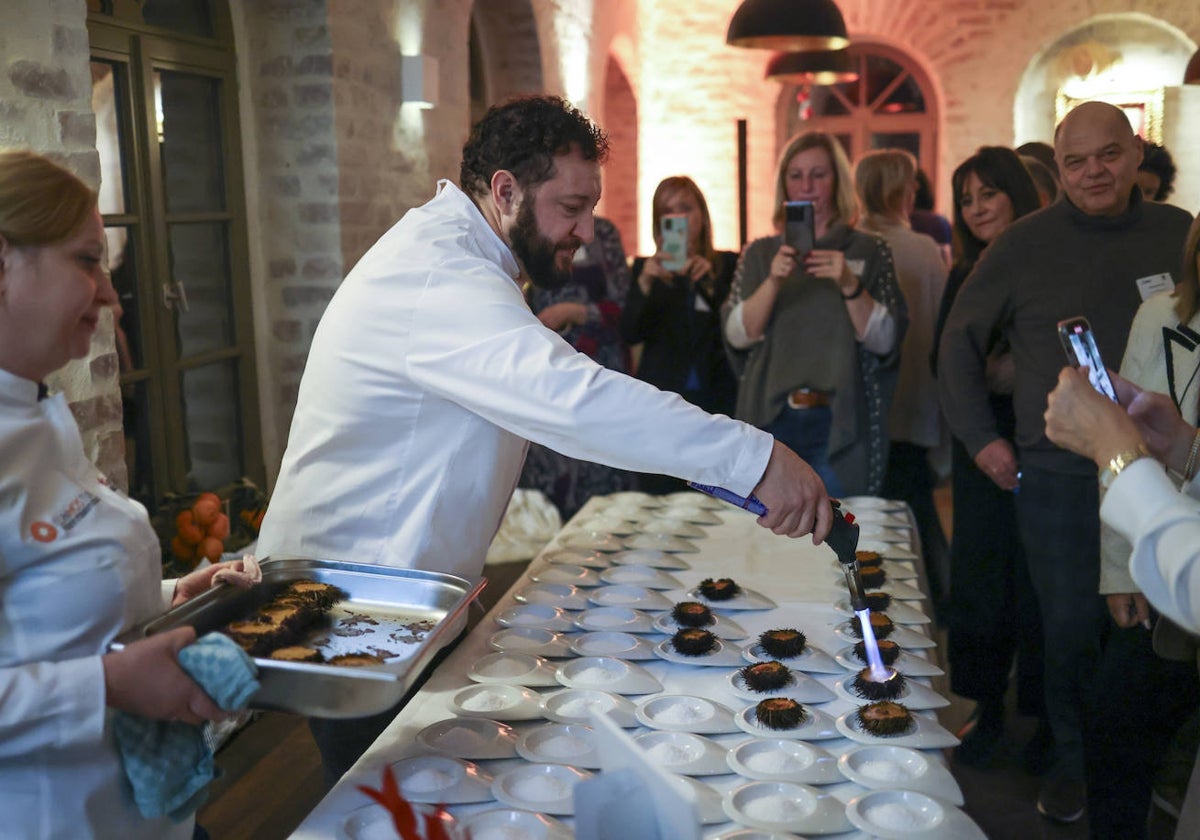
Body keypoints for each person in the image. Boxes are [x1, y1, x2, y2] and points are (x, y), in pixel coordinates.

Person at [255, 96, 832, 779]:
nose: (586, 230)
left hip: (396, 594)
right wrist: (756, 460)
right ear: (506, 190)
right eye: (572, 207)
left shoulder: (457, 254)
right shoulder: (443, 274)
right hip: (359, 611)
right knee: (387, 805)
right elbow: (580, 403)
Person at [938, 102, 1194, 827]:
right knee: (1072, 632)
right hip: (1057, 476)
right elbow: (958, 341)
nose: (1094, 173)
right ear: (1057, 166)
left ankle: (1150, 771)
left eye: (1109, 155)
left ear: (1137, 152)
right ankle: (1078, 767)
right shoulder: (1021, 244)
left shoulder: (1180, 234)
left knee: (1160, 632)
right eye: (1076, 161)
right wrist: (983, 440)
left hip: (1169, 465)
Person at [0, 149, 258, 837]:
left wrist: (178, 593)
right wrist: (109, 685)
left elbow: (50, 608)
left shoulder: (36, 411)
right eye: (88, 262)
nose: (113, 296)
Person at [932, 146, 1047, 769]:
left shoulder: (1050, 263)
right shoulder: (963, 274)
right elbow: (947, 369)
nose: (976, 209)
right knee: (982, 586)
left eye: (988, 194)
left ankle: (1045, 720)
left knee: (1041, 586)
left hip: (1047, 446)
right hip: (981, 451)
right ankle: (986, 711)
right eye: (966, 199)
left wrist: (1012, 370)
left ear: (1017, 195)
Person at [722, 131, 907, 497]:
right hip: (772, 420)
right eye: (796, 176)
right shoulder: (760, 254)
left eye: (818, 175)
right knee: (771, 535)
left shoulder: (869, 250)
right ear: (785, 186)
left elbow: (885, 341)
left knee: (836, 535)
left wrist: (849, 284)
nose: (807, 186)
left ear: (836, 180)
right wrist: (773, 281)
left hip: (839, 419)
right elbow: (737, 336)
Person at [854, 149, 950, 611]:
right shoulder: (924, 249)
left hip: (862, 407)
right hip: (911, 399)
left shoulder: (850, 247)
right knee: (909, 514)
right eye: (911, 185)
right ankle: (919, 610)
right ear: (899, 190)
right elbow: (938, 332)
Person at [621, 176, 739, 494]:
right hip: (664, 405)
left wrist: (711, 285)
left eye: (685, 208)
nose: (677, 219)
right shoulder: (646, 269)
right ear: (658, 225)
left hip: (716, 403)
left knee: (718, 496)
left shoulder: (726, 265)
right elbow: (630, 334)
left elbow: (735, 334)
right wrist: (645, 284)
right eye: (667, 212)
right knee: (661, 497)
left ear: (702, 215)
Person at [518, 216, 637, 517]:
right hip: (550, 371)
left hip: (600, 368)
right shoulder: (539, 230)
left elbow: (623, 306)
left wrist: (573, 312)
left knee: (603, 473)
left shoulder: (604, 233)